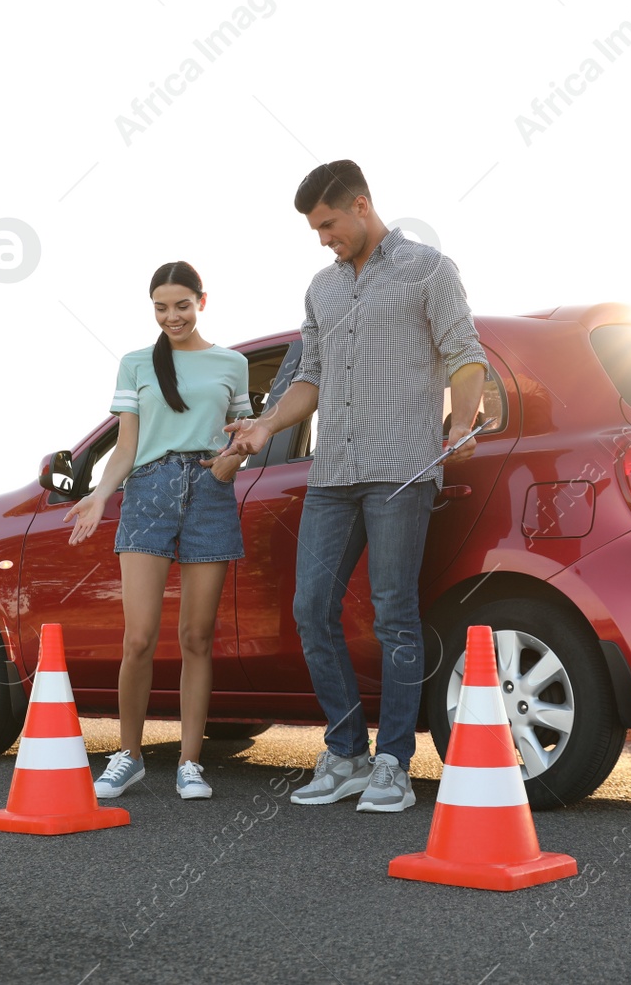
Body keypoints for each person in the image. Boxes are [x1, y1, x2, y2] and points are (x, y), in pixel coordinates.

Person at [220, 160, 488, 813]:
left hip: (401, 469)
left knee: (394, 614)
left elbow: (466, 353)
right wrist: (266, 423)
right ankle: (345, 751)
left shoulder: (429, 268)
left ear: (362, 205)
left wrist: (462, 420)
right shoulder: (322, 289)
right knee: (312, 608)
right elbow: (309, 379)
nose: (322, 238)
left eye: (328, 224)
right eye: (315, 228)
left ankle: (393, 762)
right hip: (333, 474)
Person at [64, 261, 253, 801]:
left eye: (182, 305)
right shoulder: (136, 364)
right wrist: (101, 496)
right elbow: (126, 446)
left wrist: (227, 466)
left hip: (210, 495)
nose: (172, 316)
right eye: (161, 307)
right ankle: (129, 756)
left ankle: (190, 762)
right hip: (148, 493)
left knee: (196, 638)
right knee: (140, 637)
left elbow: (239, 438)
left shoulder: (232, 364)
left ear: (202, 301)